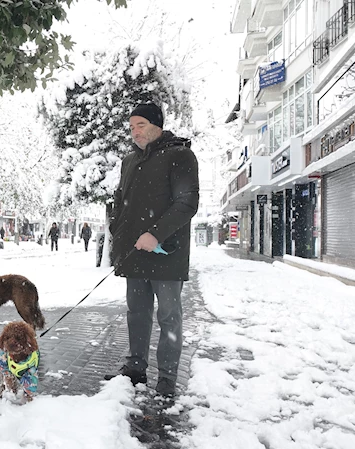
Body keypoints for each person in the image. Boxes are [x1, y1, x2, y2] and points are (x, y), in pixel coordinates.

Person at [105, 103, 199, 398]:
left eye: (141, 125)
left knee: (169, 316)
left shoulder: (180, 155)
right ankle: (135, 366)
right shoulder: (129, 161)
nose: (135, 132)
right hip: (134, 252)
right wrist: (116, 235)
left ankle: (168, 378)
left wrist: (155, 234)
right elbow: (121, 203)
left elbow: (186, 203)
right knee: (137, 313)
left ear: (157, 124)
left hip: (166, 253)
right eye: (131, 127)